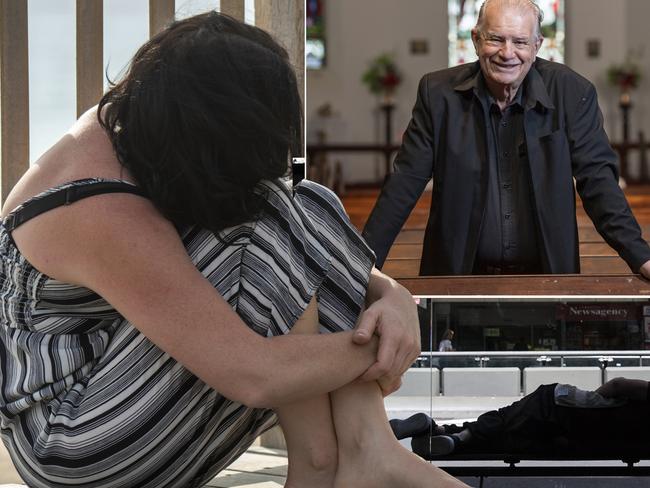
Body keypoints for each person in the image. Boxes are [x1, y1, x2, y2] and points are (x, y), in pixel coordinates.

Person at [0, 13, 468, 488]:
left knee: (306, 200)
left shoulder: (142, 126)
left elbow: (306, 228)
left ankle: (358, 451)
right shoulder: (100, 208)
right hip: (75, 441)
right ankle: (342, 458)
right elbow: (251, 374)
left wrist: (391, 296)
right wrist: (388, 346)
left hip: (120, 389)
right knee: (263, 217)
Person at [362, 0, 650, 277]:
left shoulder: (572, 93)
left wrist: (642, 257)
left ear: (537, 46)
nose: (507, 52)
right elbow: (404, 183)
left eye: (520, 42)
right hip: (456, 278)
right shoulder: (438, 95)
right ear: (476, 40)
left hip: (547, 277)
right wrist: (360, 268)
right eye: (496, 39)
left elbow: (599, 183)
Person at [391, 377, 650, 458]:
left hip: (563, 405)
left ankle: (458, 435)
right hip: (571, 439)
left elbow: (619, 385)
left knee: (506, 417)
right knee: (508, 434)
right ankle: (443, 432)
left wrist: (595, 400)